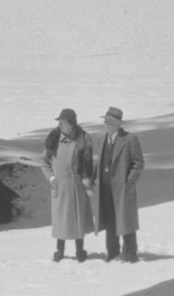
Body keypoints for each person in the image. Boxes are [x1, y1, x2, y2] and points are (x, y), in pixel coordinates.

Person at [42, 107, 95, 263]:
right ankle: (60, 250)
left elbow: (88, 163)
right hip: (61, 186)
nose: (60, 125)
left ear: (71, 124)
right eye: (59, 122)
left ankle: (80, 250)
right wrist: (51, 178)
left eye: (63, 122)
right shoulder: (54, 139)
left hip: (77, 186)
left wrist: (88, 181)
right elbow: (43, 161)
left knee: (78, 218)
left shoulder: (83, 139)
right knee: (61, 220)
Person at [97, 106, 144, 262]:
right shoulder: (104, 138)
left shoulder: (130, 139)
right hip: (106, 188)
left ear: (118, 123)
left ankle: (131, 253)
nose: (106, 124)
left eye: (109, 121)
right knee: (110, 221)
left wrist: (130, 180)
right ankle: (112, 253)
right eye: (105, 121)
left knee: (126, 221)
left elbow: (138, 163)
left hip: (123, 188)